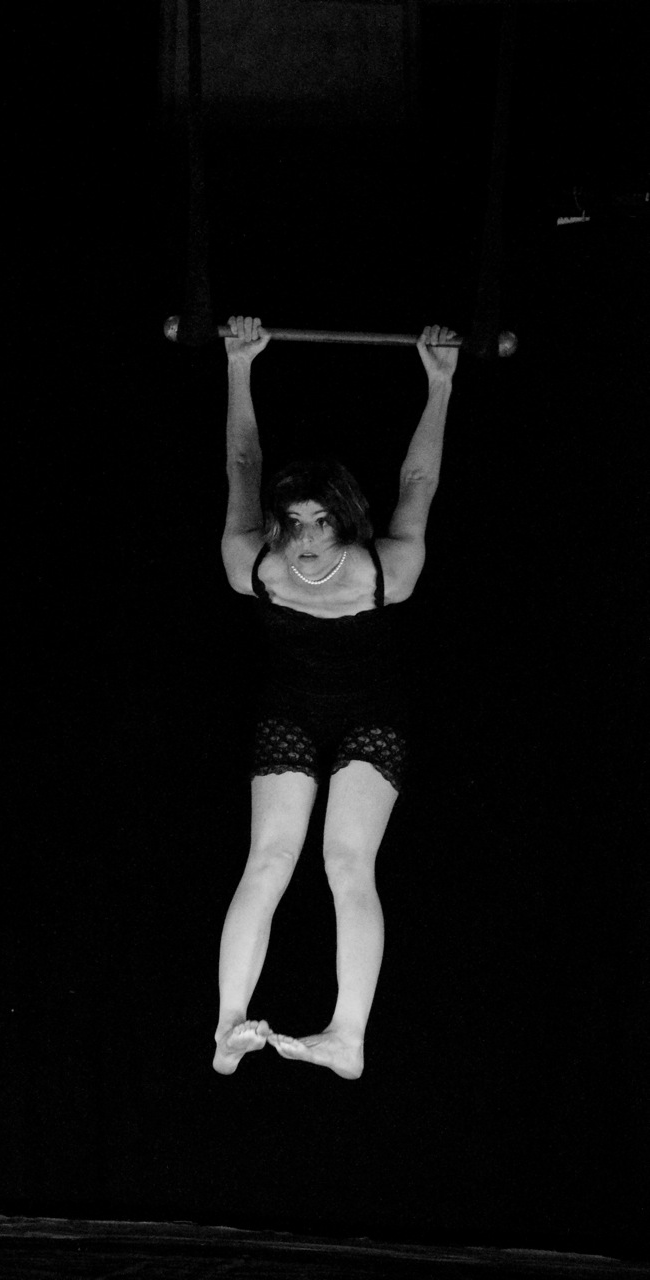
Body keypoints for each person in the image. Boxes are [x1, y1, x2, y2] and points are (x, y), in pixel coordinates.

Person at [213, 315, 458, 1080]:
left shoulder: (389, 569)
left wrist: (441, 382)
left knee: (347, 864)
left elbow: (417, 483)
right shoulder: (251, 564)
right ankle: (226, 1028)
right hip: (289, 715)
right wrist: (238, 365)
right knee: (267, 861)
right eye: (293, 522)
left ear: (346, 519)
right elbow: (243, 463)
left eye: (321, 521)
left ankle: (346, 1036)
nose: (307, 538)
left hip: (371, 721)